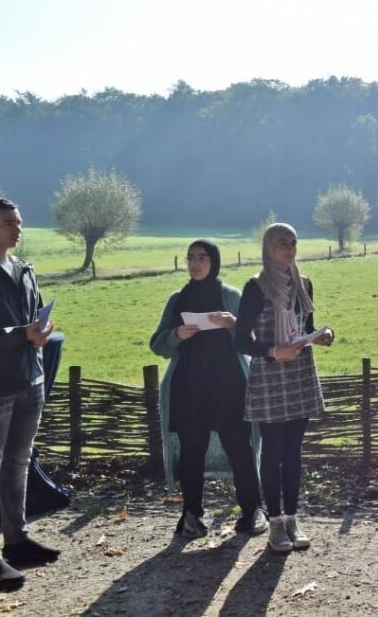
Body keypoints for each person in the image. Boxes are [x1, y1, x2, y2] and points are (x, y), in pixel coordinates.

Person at [150, 240, 266, 539]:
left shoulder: (230, 296)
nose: (195, 264)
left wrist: (233, 324)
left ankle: (253, 511)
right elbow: (157, 344)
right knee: (191, 451)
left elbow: (255, 338)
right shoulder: (177, 300)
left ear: (214, 261)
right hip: (189, 387)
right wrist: (176, 334)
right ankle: (191, 515)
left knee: (239, 447)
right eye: (190, 258)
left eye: (202, 258)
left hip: (229, 386)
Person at [235, 223, 332, 553]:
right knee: (273, 452)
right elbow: (240, 340)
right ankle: (275, 523)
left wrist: (319, 336)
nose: (289, 249)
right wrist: (274, 351)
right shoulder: (255, 287)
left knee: (293, 452)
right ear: (267, 247)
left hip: (301, 375)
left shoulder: (304, 284)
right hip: (270, 378)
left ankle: (292, 518)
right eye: (281, 243)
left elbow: (305, 327)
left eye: (293, 242)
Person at [0, 197, 60, 590]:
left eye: (19, 221)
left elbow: (36, 318)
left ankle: (17, 541)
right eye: (7, 222)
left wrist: (41, 331)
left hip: (31, 381)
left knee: (17, 464)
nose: (17, 228)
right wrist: (19, 336)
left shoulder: (25, 270)